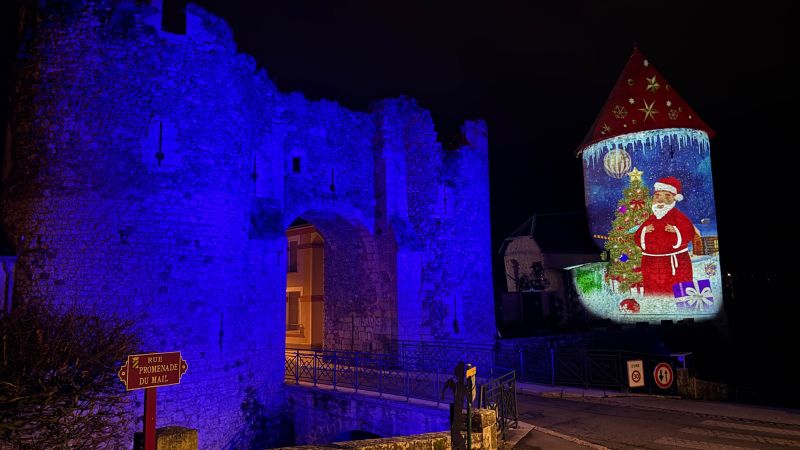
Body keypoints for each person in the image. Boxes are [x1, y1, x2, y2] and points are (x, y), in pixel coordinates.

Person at [634, 177, 695, 296]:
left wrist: (676, 230)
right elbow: (636, 237)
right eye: (657, 196)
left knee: (679, 294)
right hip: (651, 264)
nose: (661, 200)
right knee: (655, 295)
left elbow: (690, 232)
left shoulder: (678, 216)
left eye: (667, 196)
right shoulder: (650, 219)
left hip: (675, 264)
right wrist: (644, 231)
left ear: (674, 198)